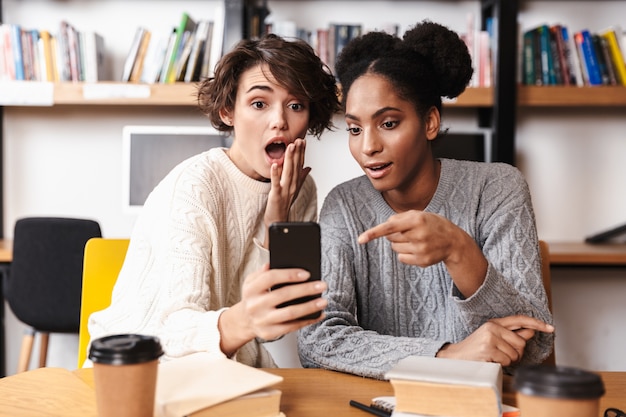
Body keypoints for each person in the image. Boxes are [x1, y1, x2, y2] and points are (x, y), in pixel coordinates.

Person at [298, 21, 555, 379]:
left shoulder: (497, 188)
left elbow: (534, 345)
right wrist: (446, 356)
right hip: (380, 403)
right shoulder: (344, 205)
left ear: (430, 122)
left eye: (388, 123)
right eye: (355, 129)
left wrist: (459, 250)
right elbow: (318, 340)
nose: (368, 146)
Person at [88, 34, 340, 368]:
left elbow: (270, 328)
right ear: (228, 111)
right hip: (142, 369)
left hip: (228, 370)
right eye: (259, 103)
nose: (279, 120)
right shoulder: (195, 186)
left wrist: (275, 220)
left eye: (295, 105)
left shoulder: (301, 190)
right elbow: (171, 335)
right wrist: (247, 321)